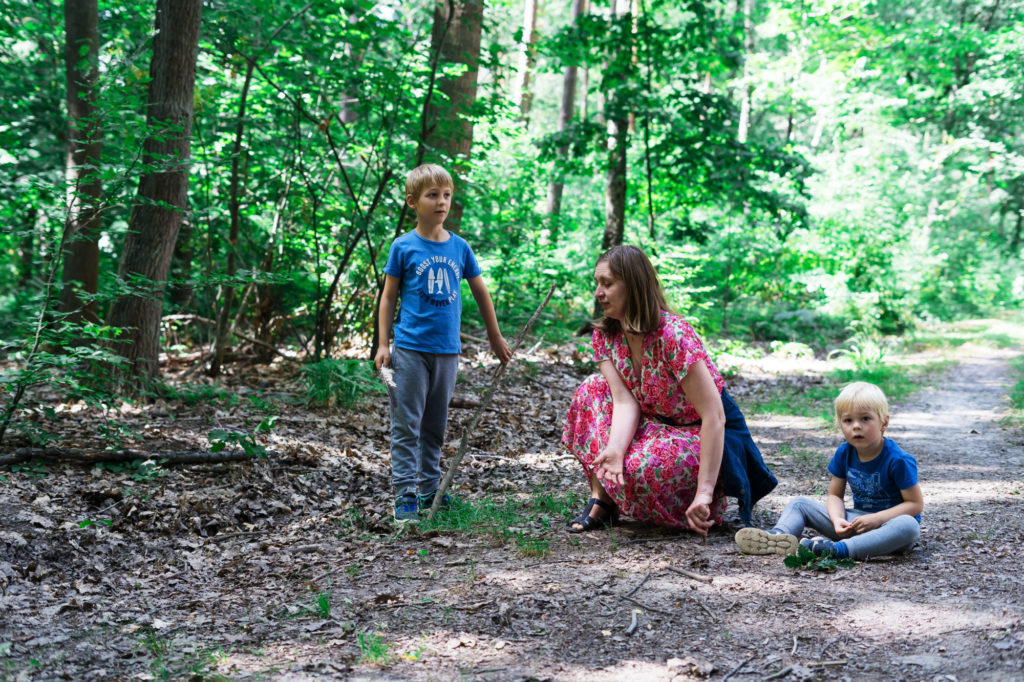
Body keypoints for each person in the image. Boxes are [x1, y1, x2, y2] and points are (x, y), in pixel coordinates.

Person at [561, 245, 776, 534]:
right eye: (597, 284)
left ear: (634, 285)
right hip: (656, 426)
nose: (598, 293)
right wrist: (614, 449)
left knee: (643, 468)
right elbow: (624, 402)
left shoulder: (673, 334)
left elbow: (715, 416)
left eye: (608, 284)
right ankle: (602, 498)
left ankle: (702, 503)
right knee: (593, 388)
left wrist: (704, 491)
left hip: (703, 431)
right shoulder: (605, 335)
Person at [375, 164, 512, 523]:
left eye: (447, 195)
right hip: (409, 350)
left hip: (447, 352)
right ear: (412, 202)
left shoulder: (460, 247)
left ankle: (430, 490)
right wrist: (383, 343)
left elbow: (481, 292)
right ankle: (405, 494)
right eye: (432, 195)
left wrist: (495, 337)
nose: (441, 202)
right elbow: (388, 298)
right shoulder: (403, 247)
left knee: (435, 425)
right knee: (407, 423)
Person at [735, 381, 923, 560]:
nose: (856, 426)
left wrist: (876, 519)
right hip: (854, 523)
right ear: (840, 424)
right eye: (848, 420)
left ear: (884, 422)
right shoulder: (845, 452)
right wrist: (837, 519)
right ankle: (778, 536)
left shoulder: (898, 460)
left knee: (909, 526)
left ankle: (838, 550)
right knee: (799, 504)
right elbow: (834, 496)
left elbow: (914, 504)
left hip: (888, 527)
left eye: (865, 419)